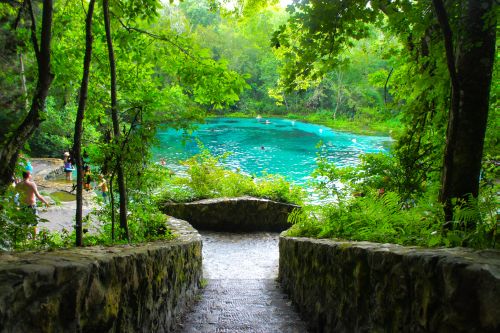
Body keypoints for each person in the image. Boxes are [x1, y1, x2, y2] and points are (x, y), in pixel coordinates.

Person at [15, 171, 50, 237]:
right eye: (30, 174)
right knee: (34, 223)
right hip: (31, 206)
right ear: (28, 175)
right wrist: (46, 202)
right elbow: (38, 196)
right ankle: (34, 238)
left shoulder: (18, 185)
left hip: (22, 206)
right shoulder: (32, 184)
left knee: (24, 222)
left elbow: (15, 194)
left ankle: (25, 237)